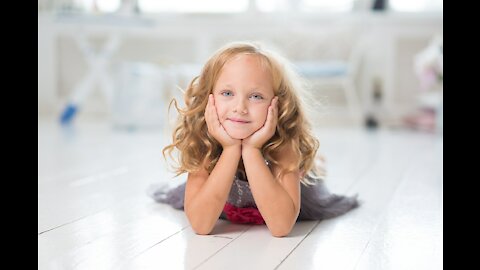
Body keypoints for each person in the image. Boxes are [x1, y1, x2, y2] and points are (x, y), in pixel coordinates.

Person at [149, 41, 359, 237]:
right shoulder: (205, 141)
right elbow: (201, 225)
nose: (240, 108)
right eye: (227, 93)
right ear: (208, 98)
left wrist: (252, 150)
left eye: (256, 96)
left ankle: (313, 166)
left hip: (294, 191)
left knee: (308, 173)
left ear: (278, 104)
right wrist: (230, 149)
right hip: (219, 199)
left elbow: (281, 227)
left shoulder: (284, 145)